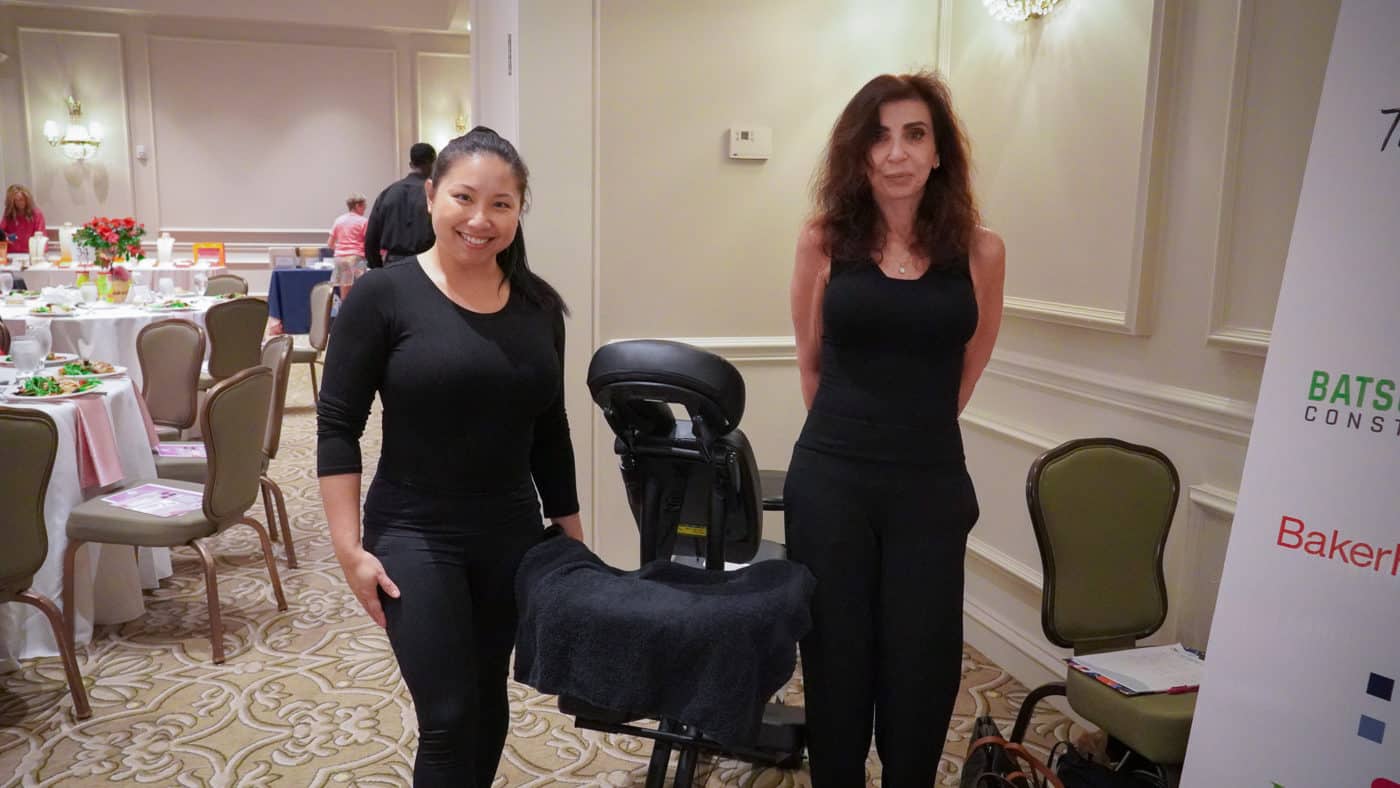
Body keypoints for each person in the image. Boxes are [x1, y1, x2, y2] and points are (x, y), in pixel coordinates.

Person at [317, 126, 584, 787]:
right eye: (464, 197)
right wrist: (349, 550)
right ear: (432, 195)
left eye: (501, 204)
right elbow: (338, 426)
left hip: (511, 531)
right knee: (449, 713)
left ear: (520, 211)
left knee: (489, 703)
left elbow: (550, 429)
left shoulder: (539, 307)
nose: (480, 219)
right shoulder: (383, 296)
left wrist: (572, 541)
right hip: (414, 530)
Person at [784, 71, 1006, 787]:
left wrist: (911, 435)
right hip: (832, 479)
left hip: (931, 482)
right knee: (836, 658)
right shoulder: (823, 240)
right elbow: (810, 364)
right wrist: (858, 434)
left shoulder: (981, 251)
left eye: (915, 134)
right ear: (859, 153)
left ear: (939, 152)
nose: (897, 152)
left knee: (923, 662)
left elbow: (967, 370)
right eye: (879, 137)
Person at [363, 142, 437, 269]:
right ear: (433, 163)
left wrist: (378, 268)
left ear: (411, 164)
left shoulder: (388, 193)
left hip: (392, 265)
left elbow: (371, 238)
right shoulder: (435, 194)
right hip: (426, 265)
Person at [328, 192, 369, 294]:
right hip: (356, 259)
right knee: (361, 292)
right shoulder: (363, 221)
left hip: (340, 259)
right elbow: (368, 243)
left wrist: (342, 250)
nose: (365, 208)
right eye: (364, 206)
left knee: (345, 294)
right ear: (357, 206)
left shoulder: (338, 220)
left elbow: (330, 244)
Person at [1, 184, 46, 254]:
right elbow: (1, 232)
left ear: (27, 199)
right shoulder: (8, 213)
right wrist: (6, 237)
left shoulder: (36, 214)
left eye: (22, 199)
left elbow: (41, 236)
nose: (20, 203)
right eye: (16, 200)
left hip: (30, 253)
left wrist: (40, 253)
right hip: (11, 253)